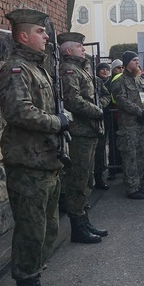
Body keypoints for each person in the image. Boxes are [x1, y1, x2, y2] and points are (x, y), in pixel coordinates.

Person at [0, 9, 70, 286]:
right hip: (27, 162)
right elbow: (18, 112)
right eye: (40, 32)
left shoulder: (38, 68)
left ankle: (35, 284)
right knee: (30, 231)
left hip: (45, 160)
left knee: (47, 229)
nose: (46, 37)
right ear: (24, 36)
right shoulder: (16, 69)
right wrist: (57, 122)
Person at [58, 32, 107, 244]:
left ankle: (83, 218)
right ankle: (77, 225)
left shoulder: (81, 69)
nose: (83, 49)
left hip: (89, 130)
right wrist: (96, 111)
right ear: (68, 50)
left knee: (86, 178)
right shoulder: (69, 70)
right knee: (78, 179)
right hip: (79, 132)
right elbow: (73, 101)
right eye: (79, 46)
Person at [110, 51, 144, 199]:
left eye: (138, 60)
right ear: (127, 63)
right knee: (130, 156)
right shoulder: (120, 81)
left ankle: (138, 184)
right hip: (129, 125)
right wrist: (139, 112)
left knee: (141, 155)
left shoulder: (140, 80)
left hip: (143, 124)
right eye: (134, 60)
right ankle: (131, 187)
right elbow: (122, 100)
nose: (137, 62)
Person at [93, 62, 111, 190]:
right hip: (87, 120)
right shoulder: (93, 80)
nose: (104, 72)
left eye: (106, 69)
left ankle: (99, 178)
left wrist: (100, 105)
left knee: (100, 150)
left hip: (102, 118)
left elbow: (107, 96)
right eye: (102, 69)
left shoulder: (98, 82)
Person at [106, 59, 124, 181]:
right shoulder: (109, 82)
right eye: (118, 68)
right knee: (113, 143)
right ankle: (112, 169)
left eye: (122, 68)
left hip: (123, 117)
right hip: (112, 117)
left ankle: (121, 166)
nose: (121, 70)